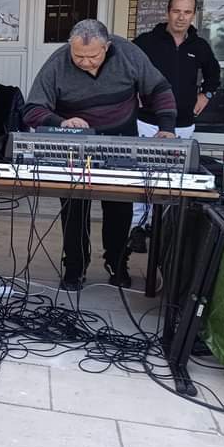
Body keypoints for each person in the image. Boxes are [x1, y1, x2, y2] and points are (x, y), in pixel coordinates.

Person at [23, 19, 177, 290]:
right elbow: (32, 109)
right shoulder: (57, 62)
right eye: (78, 56)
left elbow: (159, 89)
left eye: (92, 56)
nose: (85, 62)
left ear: (107, 47)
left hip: (121, 139)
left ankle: (117, 263)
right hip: (75, 146)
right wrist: (62, 122)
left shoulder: (128, 54)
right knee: (74, 207)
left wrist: (166, 128)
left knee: (119, 206)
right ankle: (75, 268)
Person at [128, 0, 220, 253]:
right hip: (148, 121)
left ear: (193, 15)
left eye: (187, 12)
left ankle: (164, 229)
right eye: (177, 11)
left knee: (173, 177)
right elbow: (126, 69)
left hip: (183, 123)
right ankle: (138, 228)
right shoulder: (146, 42)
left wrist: (206, 95)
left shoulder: (199, 46)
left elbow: (214, 74)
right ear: (168, 12)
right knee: (143, 174)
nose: (181, 17)